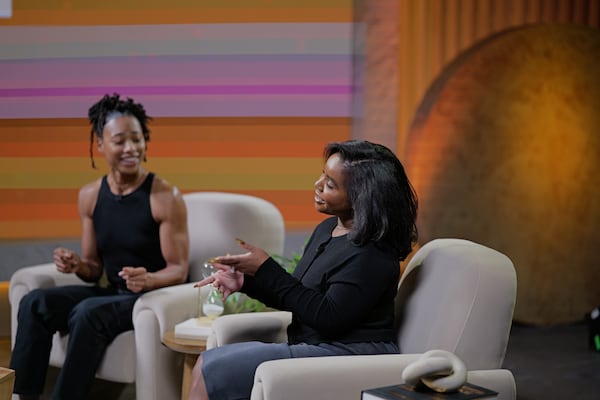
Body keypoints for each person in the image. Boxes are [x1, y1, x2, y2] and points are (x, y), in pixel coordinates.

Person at [189, 139, 418, 400]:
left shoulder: (373, 253)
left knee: (212, 368)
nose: (318, 185)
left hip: (351, 353)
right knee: (208, 364)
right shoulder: (327, 229)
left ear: (362, 198)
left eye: (330, 184)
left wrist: (266, 269)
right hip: (317, 344)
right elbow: (299, 296)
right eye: (323, 175)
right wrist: (246, 282)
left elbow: (329, 318)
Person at [9, 93, 190, 400]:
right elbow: (94, 269)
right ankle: (20, 396)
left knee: (87, 312)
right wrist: (78, 265)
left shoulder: (164, 196)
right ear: (101, 144)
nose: (131, 148)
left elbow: (179, 269)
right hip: (113, 293)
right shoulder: (90, 196)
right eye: (120, 140)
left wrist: (149, 279)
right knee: (35, 302)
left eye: (137, 139)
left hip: (150, 297)